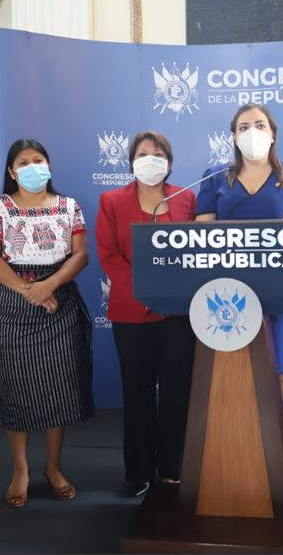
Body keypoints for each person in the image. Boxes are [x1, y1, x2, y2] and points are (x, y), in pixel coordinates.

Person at [0, 138, 94, 508]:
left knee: (58, 387)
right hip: (15, 301)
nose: (32, 167)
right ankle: (21, 469)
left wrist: (50, 286)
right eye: (23, 162)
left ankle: (54, 467)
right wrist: (30, 291)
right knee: (18, 387)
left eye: (38, 159)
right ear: (12, 172)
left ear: (49, 165)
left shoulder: (69, 206)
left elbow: (80, 255)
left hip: (59, 298)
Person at [195, 104, 283, 428]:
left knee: (276, 370)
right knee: (230, 369)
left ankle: (278, 448)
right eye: (243, 127)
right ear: (233, 136)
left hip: (279, 289)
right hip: (227, 291)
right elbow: (203, 232)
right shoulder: (215, 177)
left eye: (260, 125)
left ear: (273, 134)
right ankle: (234, 446)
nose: (252, 132)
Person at [95, 131, 197, 497]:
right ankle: (138, 472)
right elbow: (108, 255)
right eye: (143, 153)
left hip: (178, 317)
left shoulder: (186, 198)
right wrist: (146, 293)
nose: (150, 158)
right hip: (132, 315)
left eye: (158, 153)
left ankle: (171, 468)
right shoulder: (111, 200)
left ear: (169, 161)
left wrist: (171, 296)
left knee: (176, 393)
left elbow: (194, 253)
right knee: (137, 394)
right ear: (131, 161)